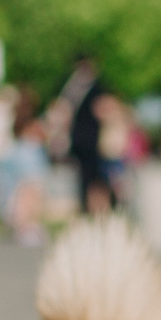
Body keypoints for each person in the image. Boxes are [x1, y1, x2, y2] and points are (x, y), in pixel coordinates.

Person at [51, 54, 115, 214]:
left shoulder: (91, 88)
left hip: (90, 141)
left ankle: (96, 207)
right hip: (83, 141)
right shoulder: (75, 87)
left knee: (93, 177)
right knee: (87, 177)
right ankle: (90, 207)